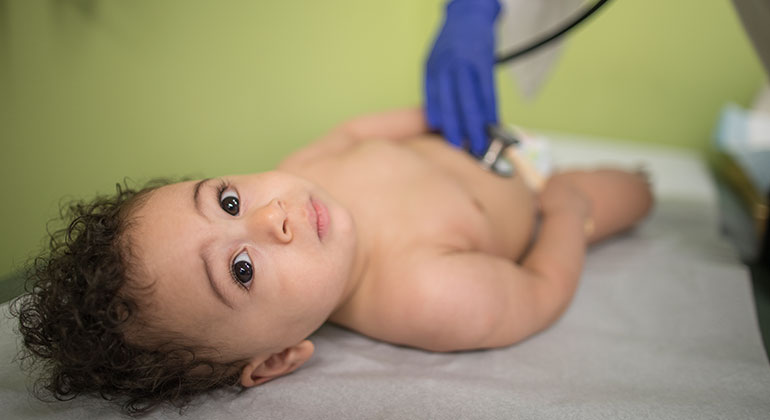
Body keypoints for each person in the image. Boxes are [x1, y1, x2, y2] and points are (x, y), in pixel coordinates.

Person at [11, 107, 653, 415]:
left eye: (228, 199)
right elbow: (538, 289)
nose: (271, 216)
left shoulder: (302, 171)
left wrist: (445, 106)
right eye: (242, 270)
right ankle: (635, 183)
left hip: (473, 127)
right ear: (277, 358)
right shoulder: (420, 295)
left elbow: (357, 132)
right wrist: (567, 215)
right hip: (540, 190)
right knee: (631, 191)